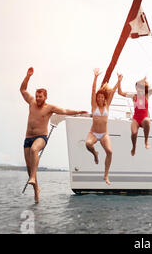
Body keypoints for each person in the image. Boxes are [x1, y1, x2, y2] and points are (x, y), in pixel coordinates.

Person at [20, 67, 87, 203]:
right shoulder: (31, 102)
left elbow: (64, 110)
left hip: (40, 138)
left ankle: (32, 178)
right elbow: (23, 90)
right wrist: (28, 77)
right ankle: (36, 190)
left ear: (45, 97)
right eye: (37, 96)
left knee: (34, 150)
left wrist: (78, 111)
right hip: (28, 138)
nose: (38, 98)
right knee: (29, 168)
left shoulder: (49, 108)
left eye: (41, 96)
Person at [85, 68, 118, 185]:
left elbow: (113, 91)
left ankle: (106, 175)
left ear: (104, 98)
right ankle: (95, 154)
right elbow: (93, 90)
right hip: (93, 133)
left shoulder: (107, 106)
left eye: (102, 97)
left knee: (110, 151)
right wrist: (95, 78)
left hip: (104, 134)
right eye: (98, 97)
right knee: (88, 144)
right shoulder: (93, 106)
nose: (99, 98)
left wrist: (118, 81)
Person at [117, 68, 152, 156]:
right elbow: (120, 92)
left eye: (141, 87)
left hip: (144, 118)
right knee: (134, 133)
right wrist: (119, 81)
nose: (139, 89)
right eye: (138, 87)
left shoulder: (147, 94)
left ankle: (146, 140)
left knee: (147, 121)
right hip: (136, 119)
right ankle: (134, 147)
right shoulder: (134, 96)